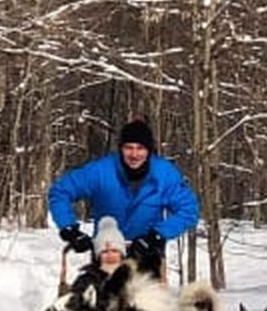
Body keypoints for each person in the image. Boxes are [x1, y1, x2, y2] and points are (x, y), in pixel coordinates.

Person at [47, 117, 200, 276]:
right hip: (106, 252)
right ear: (121, 149)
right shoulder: (100, 171)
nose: (134, 154)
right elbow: (60, 192)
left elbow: (189, 210)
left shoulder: (165, 174)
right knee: (104, 299)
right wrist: (69, 228)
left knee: (148, 300)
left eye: (140, 148)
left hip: (147, 252)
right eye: (129, 147)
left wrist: (158, 235)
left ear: (149, 150)